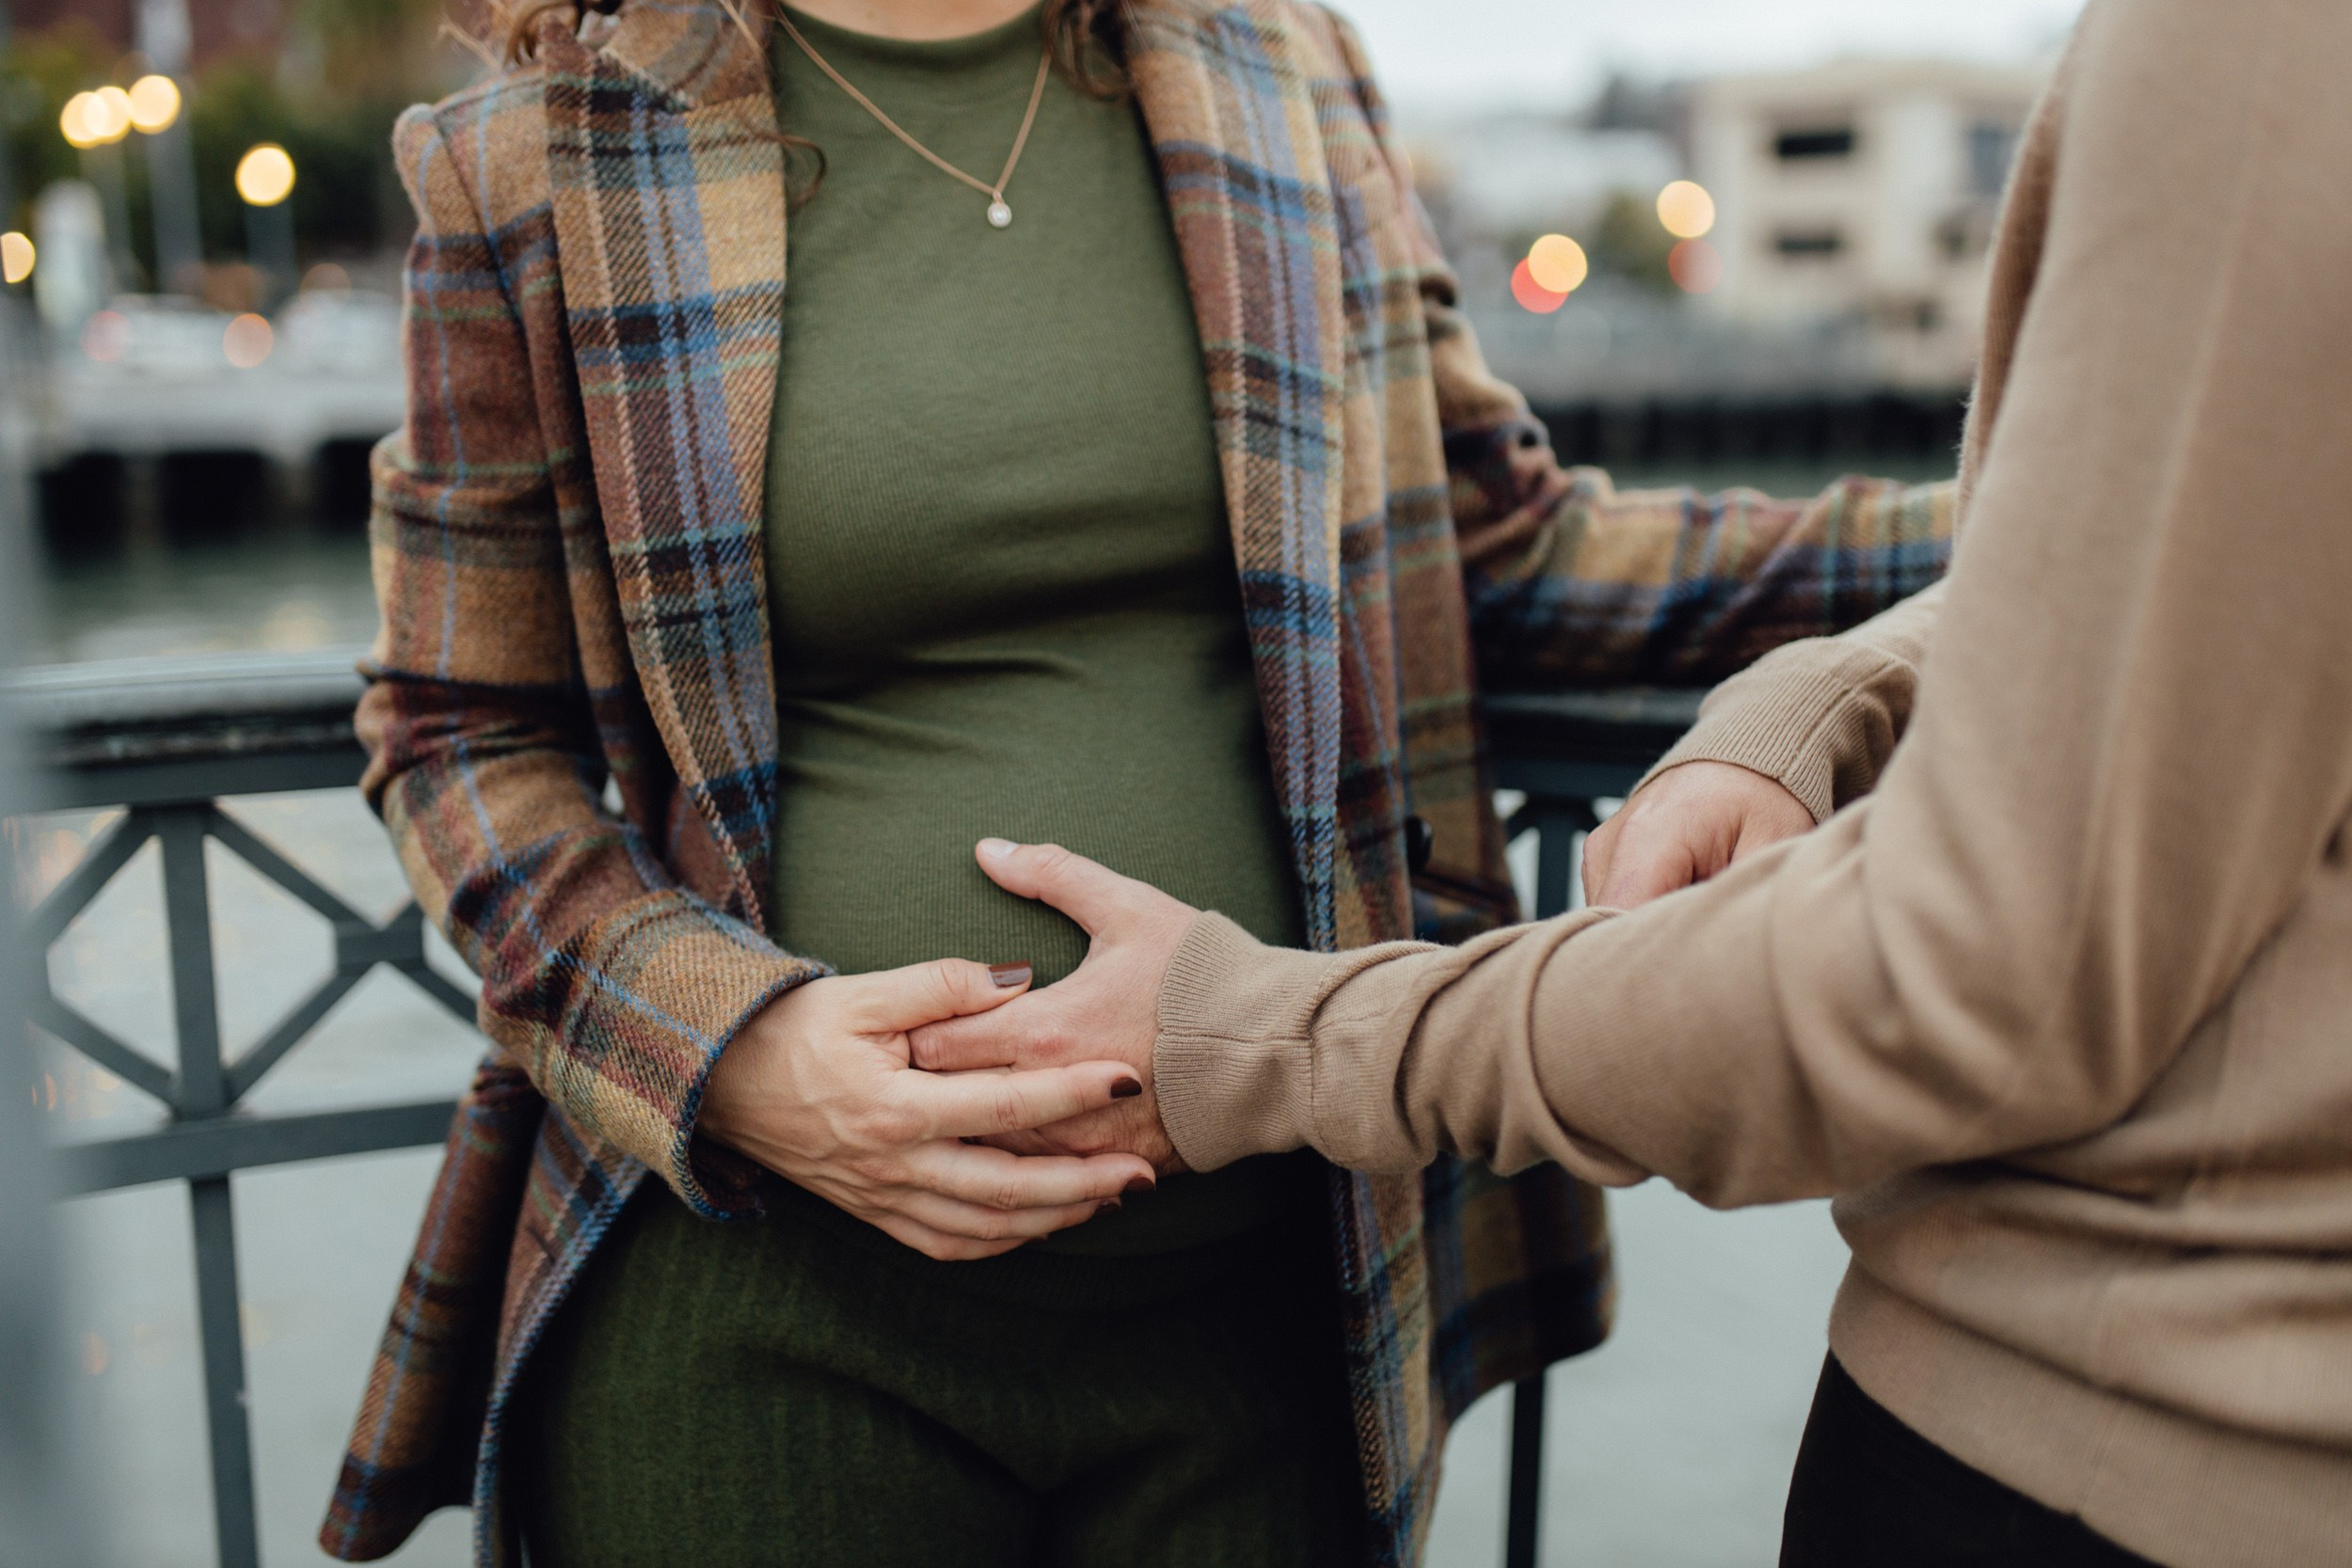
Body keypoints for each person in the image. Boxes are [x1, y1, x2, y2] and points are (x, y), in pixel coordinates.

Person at [318, 0, 1953, 1562]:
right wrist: (733, 1057)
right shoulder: (539, 162)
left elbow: (1501, 550)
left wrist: (2023, 540)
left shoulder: (1280, 79)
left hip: (1277, 1292)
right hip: (772, 1314)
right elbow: (460, 728)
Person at [918, 3, 2352, 1564]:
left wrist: (1264, 1035)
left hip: (2109, 1465)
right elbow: (2220, 552)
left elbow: (1960, 972)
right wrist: (1837, 691)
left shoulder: (2258, 45)